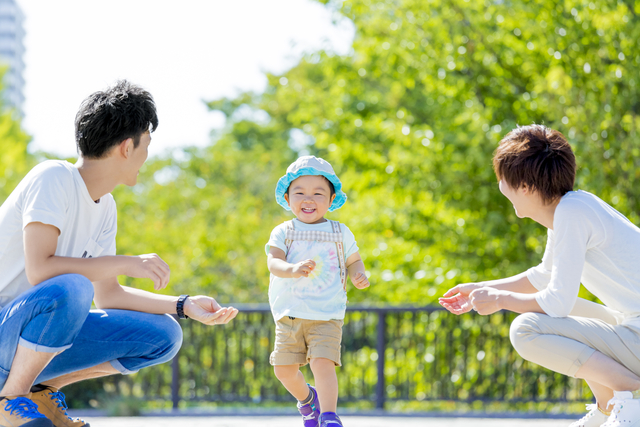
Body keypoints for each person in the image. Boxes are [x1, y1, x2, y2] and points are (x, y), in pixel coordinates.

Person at [0, 80, 238, 427]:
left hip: (29, 341)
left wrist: (183, 305)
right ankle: (11, 399)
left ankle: (41, 390)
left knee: (165, 335)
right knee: (75, 287)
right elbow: (40, 271)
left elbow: (109, 295)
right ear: (127, 147)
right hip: (6, 330)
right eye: (147, 145)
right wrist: (129, 263)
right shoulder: (53, 176)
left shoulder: (106, 207)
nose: (147, 156)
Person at [439, 124, 640, 427]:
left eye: (503, 179)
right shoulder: (569, 210)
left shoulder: (572, 214)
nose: (500, 186)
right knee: (558, 308)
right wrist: (479, 288)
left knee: (526, 330)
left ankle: (628, 394)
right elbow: (544, 277)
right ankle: (608, 406)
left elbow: (555, 303)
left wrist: (500, 299)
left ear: (525, 187)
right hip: (631, 328)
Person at [266, 156, 370, 427]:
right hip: (290, 314)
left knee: (322, 363)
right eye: (299, 192)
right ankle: (307, 400)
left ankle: (329, 415)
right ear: (287, 198)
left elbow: (352, 260)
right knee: (284, 370)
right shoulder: (284, 231)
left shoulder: (340, 231)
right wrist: (291, 269)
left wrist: (358, 273)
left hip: (327, 313)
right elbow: (273, 261)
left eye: (318, 193)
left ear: (331, 199)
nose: (308, 199)